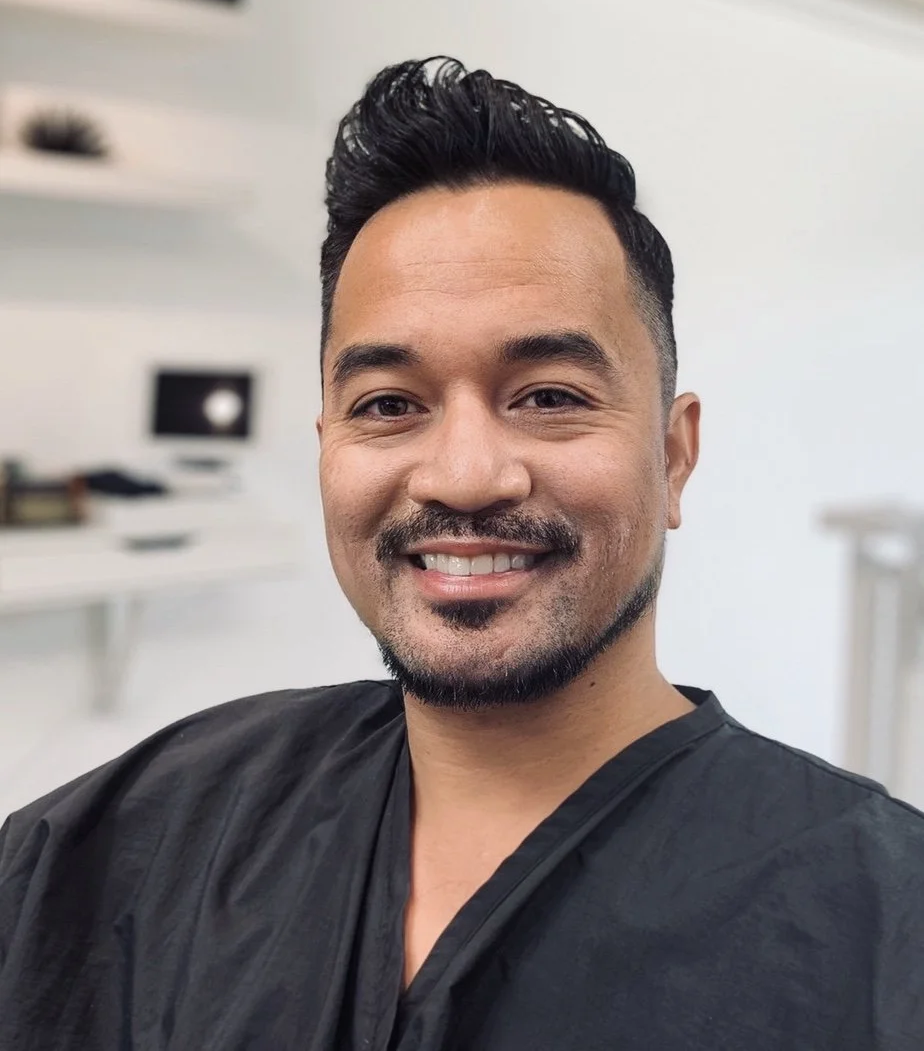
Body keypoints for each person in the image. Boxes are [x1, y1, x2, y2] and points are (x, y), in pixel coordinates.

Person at [0, 58, 921, 1051]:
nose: (464, 476)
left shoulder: (879, 930)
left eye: (550, 396)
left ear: (673, 453)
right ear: (329, 451)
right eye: (390, 405)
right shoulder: (118, 847)